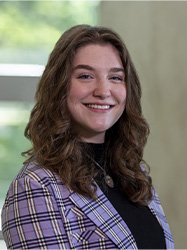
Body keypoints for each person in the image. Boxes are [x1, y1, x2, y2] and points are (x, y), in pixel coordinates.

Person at [1, 24, 174, 249]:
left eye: (115, 77)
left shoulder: (134, 175)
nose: (103, 91)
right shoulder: (35, 186)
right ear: (59, 86)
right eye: (85, 76)